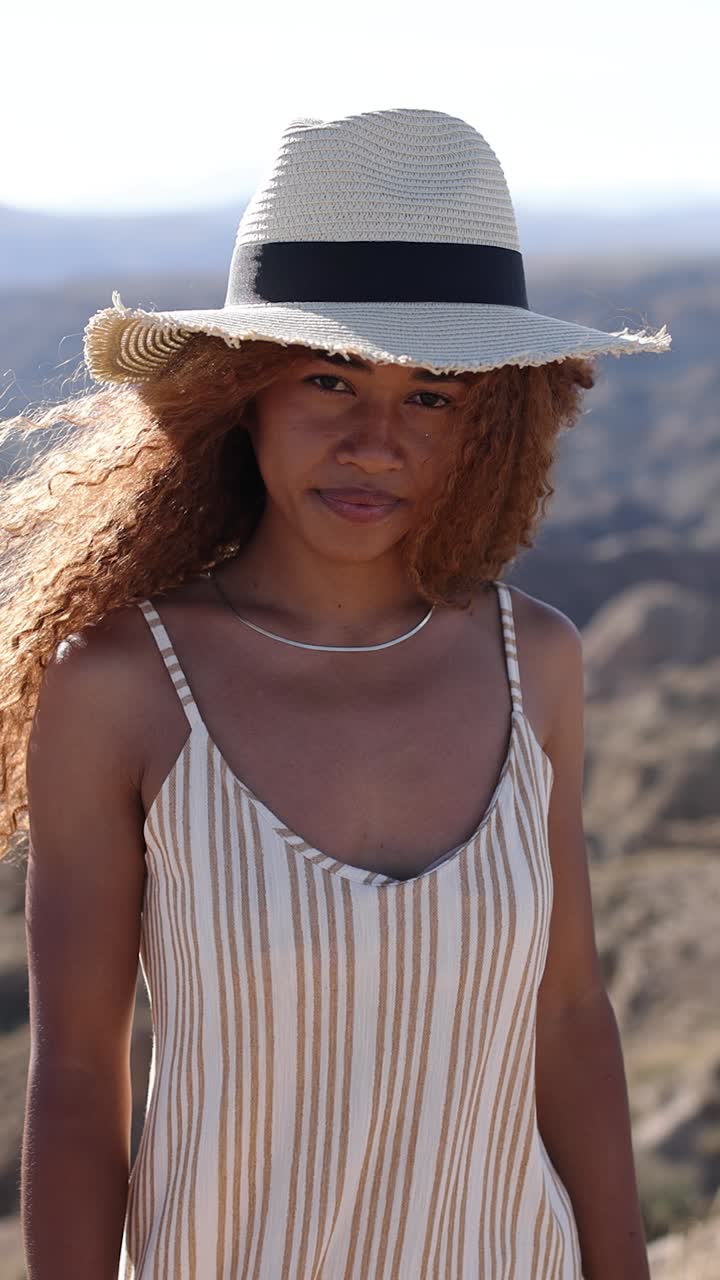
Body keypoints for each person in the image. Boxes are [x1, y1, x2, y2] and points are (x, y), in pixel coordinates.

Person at [5, 107, 671, 1279]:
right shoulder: (119, 684)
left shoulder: (537, 663)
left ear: (495, 423)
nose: (376, 441)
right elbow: (76, 1076)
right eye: (330, 378)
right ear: (241, 392)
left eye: (434, 394)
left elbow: (568, 1017)